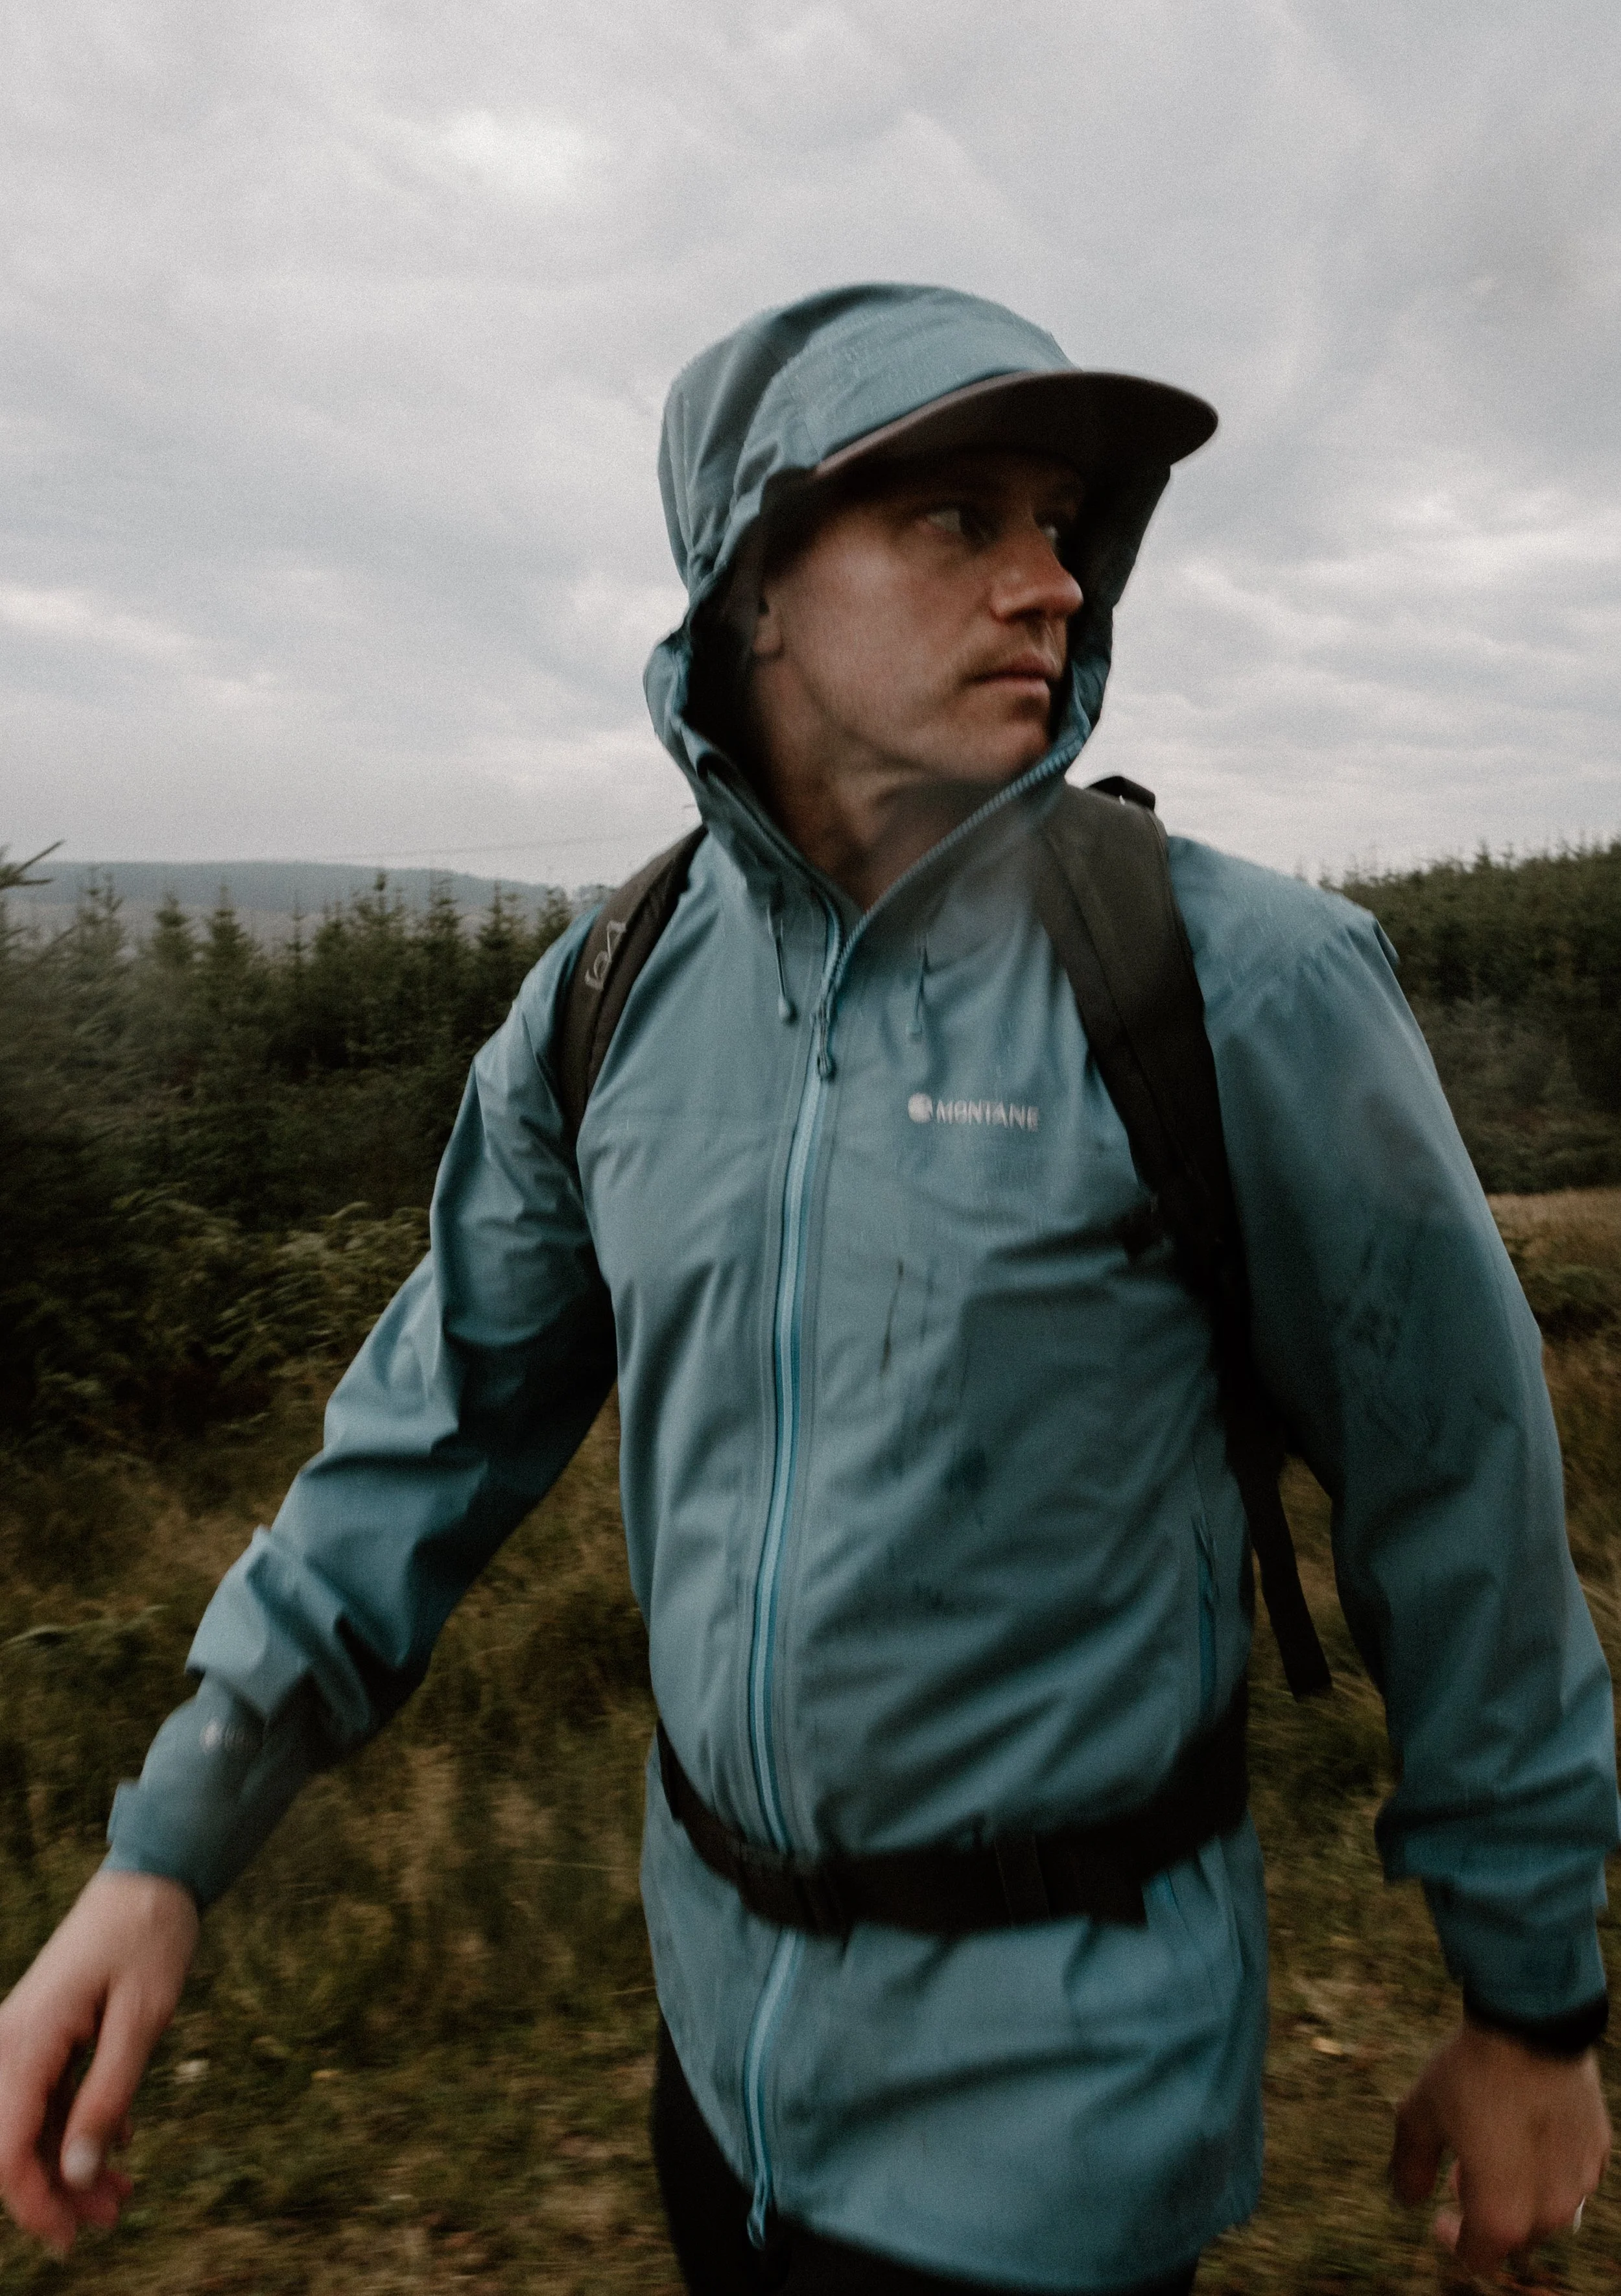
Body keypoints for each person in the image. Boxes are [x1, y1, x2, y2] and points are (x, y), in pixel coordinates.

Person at [0, 283, 1615, 2293]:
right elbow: (418, 1449)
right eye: (960, 520)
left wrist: (1528, 2001)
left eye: (1061, 521)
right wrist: (163, 1855)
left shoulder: (1237, 988)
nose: (1050, 581)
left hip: (1060, 2137)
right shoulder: (607, 999)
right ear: (754, 584)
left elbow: (1457, 1495)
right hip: (714, 2072)